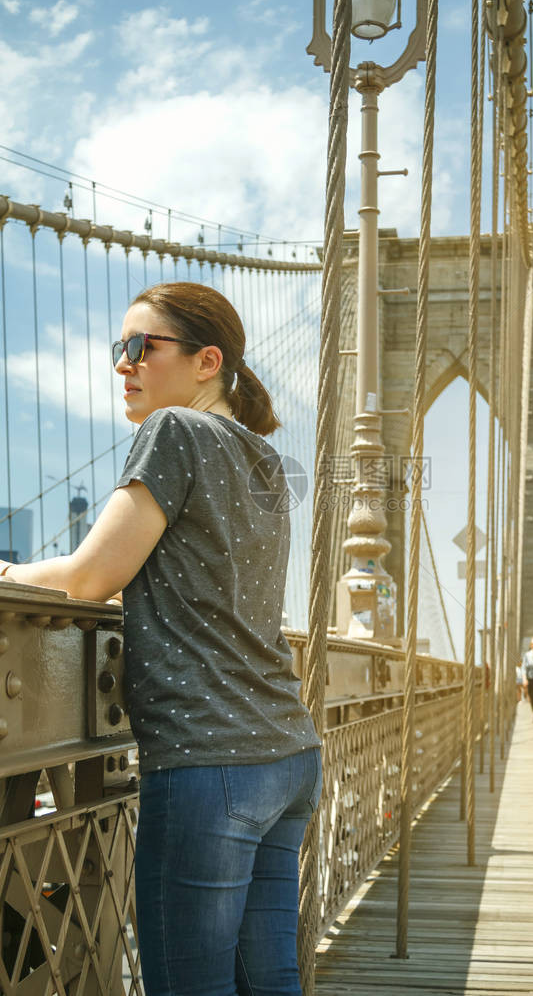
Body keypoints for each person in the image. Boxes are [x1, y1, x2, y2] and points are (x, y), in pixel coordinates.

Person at [0, 281, 322, 996]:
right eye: (121, 348)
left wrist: (8, 569)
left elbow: (90, 576)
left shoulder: (173, 432)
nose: (124, 363)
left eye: (142, 346)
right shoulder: (264, 457)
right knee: (270, 981)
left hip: (210, 762)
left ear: (207, 361)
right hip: (289, 753)